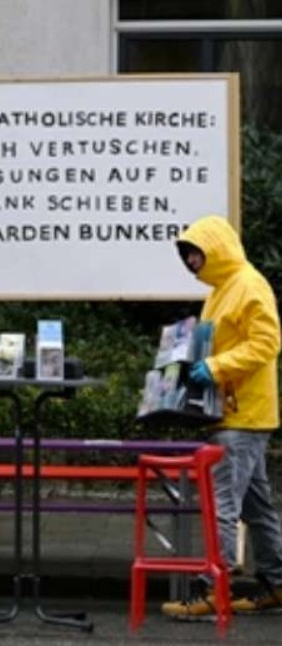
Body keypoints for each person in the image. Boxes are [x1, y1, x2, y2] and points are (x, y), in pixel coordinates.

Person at [162, 214, 282, 619]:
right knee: (256, 506)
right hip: (237, 412)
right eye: (188, 257)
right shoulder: (222, 290)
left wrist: (214, 369)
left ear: (215, 248)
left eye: (195, 254)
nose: (192, 263)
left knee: (222, 502)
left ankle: (216, 587)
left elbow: (267, 342)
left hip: (241, 414)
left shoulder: (247, 285)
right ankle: (276, 583)